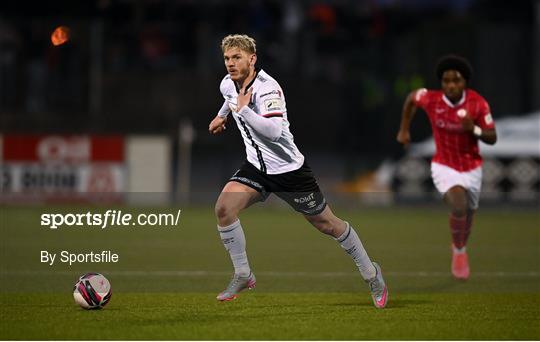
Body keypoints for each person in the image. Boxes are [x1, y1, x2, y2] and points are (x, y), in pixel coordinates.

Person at [208, 34, 388, 308]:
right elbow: (230, 98)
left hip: (290, 172)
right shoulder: (227, 84)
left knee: (328, 224)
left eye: (237, 58)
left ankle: (371, 274)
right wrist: (223, 115)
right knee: (224, 208)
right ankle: (243, 273)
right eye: (227, 58)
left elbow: (273, 130)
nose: (231, 63)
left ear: (252, 59)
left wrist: (242, 112)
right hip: (256, 168)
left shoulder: (268, 89)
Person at [396, 55, 497, 280]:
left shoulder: (477, 103)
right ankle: (459, 253)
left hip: (472, 166)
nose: (451, 85)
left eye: (456, 80)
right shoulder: (431, 99)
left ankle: (459, 247)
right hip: (444, 165)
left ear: (465, 82)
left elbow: (492, 137)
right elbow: (412, 98)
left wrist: (474, 130)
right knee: (459, 205)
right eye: (446, 80)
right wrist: (404, 129)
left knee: (468, 215)